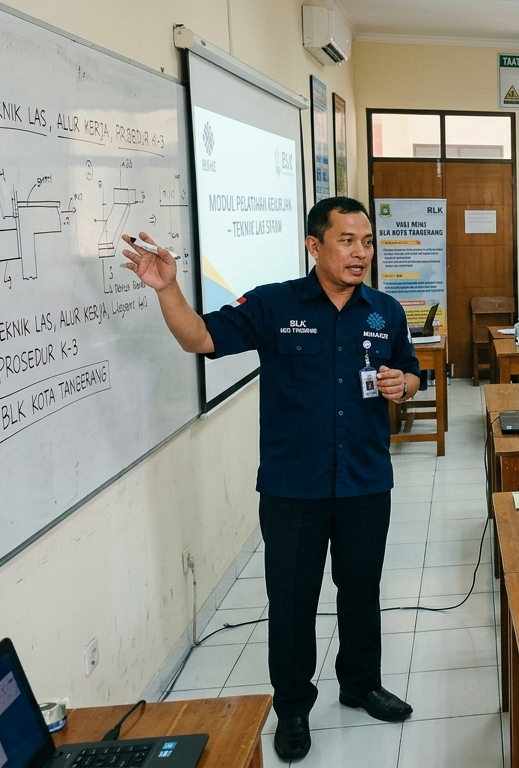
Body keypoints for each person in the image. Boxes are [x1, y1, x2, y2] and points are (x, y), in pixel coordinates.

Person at [120, 197, 420, 762]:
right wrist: (167, 290)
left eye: (368, 241)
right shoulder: (274, 303)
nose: (361, 253)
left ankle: (360, 686)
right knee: (291, 600)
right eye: (347, 241)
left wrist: (403, 383)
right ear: (314, 245)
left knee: (361, 592)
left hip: (364, 480)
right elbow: (200, 339)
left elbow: (411, 370)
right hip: (292, 488)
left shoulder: (385, 310)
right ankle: (293, 709)